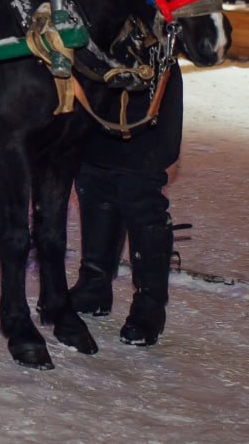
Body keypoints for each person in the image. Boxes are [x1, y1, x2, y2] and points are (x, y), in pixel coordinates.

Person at [69, 62, 184, 346]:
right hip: (98, 79)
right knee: (92, 178)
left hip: (146, 80)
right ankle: (94, 284)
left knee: (139, 192)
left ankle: (150, 304)